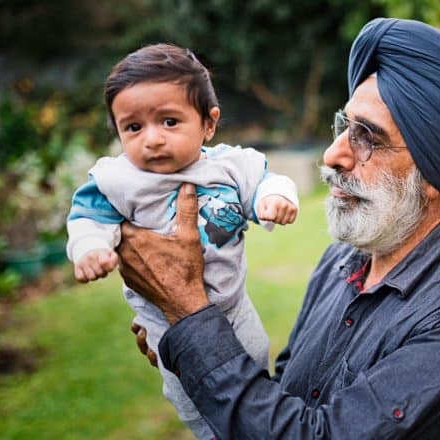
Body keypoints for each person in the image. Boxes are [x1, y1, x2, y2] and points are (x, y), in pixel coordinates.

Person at [121, 18, 440, 439]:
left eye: (367, 137)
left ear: (434, 174)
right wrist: (193, 347)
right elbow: (287, 397)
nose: (334, 154)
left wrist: (190, 314)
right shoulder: (344, 259)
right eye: (345, 127)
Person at [65, 43, 299, 439]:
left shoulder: (228, 165)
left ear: (208, 124)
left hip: (234, 306)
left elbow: (265, 181)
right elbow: (87, 217)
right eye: (133, 127)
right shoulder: (117, 180)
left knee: (256, 377)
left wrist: (273, 199)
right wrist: (89, 248)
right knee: (197, 404)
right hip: (164, 322)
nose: (152, 140)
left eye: (169, 121)